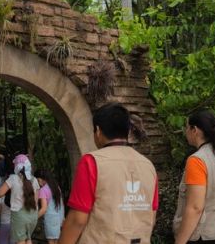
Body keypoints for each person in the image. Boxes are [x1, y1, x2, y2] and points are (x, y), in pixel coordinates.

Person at [59, 102, 158, 244]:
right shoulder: (148, 166)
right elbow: (151, 216)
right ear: (127, 131)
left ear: (98, 131)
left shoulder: (91, 162)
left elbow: (77, 219)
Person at [173, 110, 215, 244]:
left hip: (204, 235)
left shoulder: (197, 160)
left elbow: (195, 207)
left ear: (195, 130)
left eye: (187, 127)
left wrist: (179, 241)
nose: (185, 132)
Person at [0, 154, 40, 244]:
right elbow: (36, 201)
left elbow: (0, 193)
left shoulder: (13, 178)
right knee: (28, 239)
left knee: (20, 241)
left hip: (19, 215)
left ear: (16, 166)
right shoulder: (34, 180)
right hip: (33, 215)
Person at [34, 169, 64, 244]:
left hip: (50, 221)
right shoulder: (56, 187)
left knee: (51, 242)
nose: (38, 182)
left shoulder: (43, 190)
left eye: (37, 179)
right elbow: (61, 205)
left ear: (41, 178)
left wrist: (33, 218)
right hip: (58, 219)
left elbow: (44, 209)